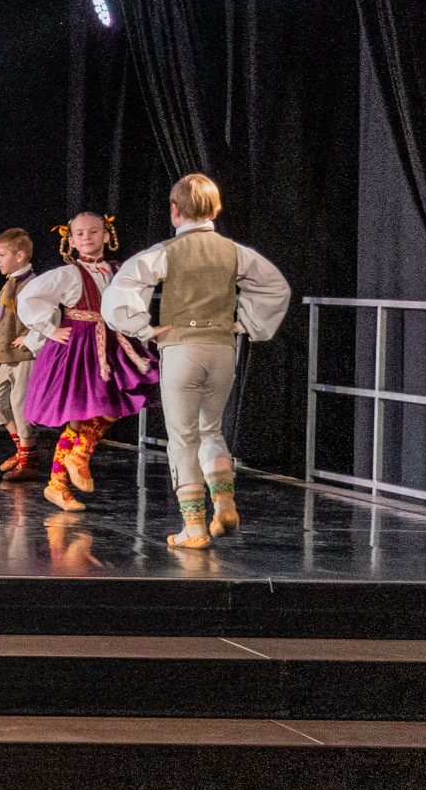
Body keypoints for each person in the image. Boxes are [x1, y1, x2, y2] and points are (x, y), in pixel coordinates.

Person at [104, 173, 292, 549]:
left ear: (175, 211)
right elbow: (276, 287)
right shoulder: (234, 251)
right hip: (222, 349)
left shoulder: (165, 252)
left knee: (183, 438)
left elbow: (120, 291)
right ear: (215, 209)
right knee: (211, 430)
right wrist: (245, 324)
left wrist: (144, 328)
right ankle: (224, 505)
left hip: (182, 349)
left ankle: (194, 525)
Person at [17, 211, 157, 513]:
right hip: (79, 345)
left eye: (94, 231)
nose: (87, 238)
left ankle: (76, 458)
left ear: (106, 235)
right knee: (80, 415)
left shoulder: (119, 270)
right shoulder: (69, 273)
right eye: (79, 234)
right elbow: (29, 297)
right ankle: (59, 482)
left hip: (112, 342)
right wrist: (49, 329)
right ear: (71, 241)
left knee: (114, 403)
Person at [0, 228, 43, 481]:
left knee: (20, 403)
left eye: (2, 255)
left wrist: (30, 338)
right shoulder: (10, 283)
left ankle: (27, 459)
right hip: (6, 352)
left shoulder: (33, 284)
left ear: (20, 256)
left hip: (24, 354)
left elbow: (47, 316)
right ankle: (22, 449)